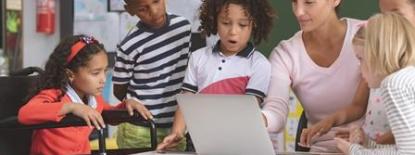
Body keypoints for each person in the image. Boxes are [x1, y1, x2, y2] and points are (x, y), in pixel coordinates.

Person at [156, 0, 275, 151]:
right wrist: (177, 132)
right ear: (214, 21)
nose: (233, 31)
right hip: (197, 140)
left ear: (254, 24)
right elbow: (187, 99)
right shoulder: (198, 58)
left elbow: (248, 110)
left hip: (239, 143)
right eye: (226, 23)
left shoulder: (259, 64)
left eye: (242, 25)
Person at [261, 0, 368, 152]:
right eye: (294, 2)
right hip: (322, 149)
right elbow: (275, 111)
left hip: (372, 147)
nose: (298, 12)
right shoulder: (286, 54)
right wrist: (260, 119)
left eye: (309, 2)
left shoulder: (369, 35)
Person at [18, 35, 145, 155]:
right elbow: (25, 113)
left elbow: (107, 114)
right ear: (70, 75)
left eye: (104, 71)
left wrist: (126, 106)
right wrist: (72, 107)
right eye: (95, 73)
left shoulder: (94, 99)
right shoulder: (55, 95)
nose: (103, 79)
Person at [112, 0, 192, 150]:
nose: (154, 11)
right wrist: (132, 101)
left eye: (156, 1)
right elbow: (119, 90)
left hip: (175, 127)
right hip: (139, 129)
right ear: (130, 10)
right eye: (143, 9)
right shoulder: (129, 45)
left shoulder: (183, 27)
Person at [335, 12, 415, 154]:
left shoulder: (394, 85)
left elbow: (407, 153)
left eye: (361, 58)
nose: (359, 68)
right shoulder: (407, 78)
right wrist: (368, 144)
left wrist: (353, 150)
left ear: (379, 54)